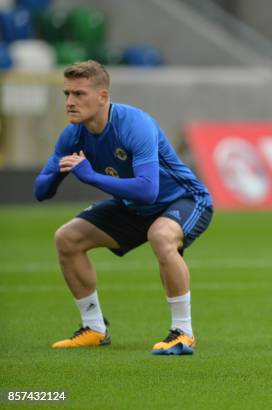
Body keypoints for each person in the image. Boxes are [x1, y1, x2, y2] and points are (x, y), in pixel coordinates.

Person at [34, 60, 213, 355]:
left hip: (184, 199)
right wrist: (57, 171)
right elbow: (41, 191)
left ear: (102, 97)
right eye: (66, 94)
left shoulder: (134, 125)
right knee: (67, 238)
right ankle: (94, 328)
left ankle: (183, 333)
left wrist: (89, 175)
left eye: (79, 94)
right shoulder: (73, 135)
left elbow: (147, 190)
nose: (69, 102)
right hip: (134, 207)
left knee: (161, 235)